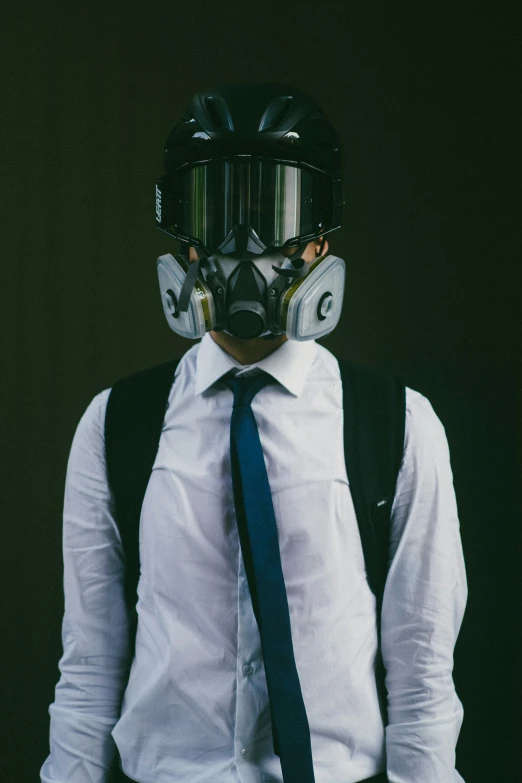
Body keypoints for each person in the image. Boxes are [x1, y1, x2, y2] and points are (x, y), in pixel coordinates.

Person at [41, 82, 467, 783]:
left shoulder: (396, 424)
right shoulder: (117, 423)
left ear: (321, 235)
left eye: (276, 212)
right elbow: (88, 668)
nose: (245, 248)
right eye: (218, 211)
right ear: (182, 237)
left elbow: (423, 672)